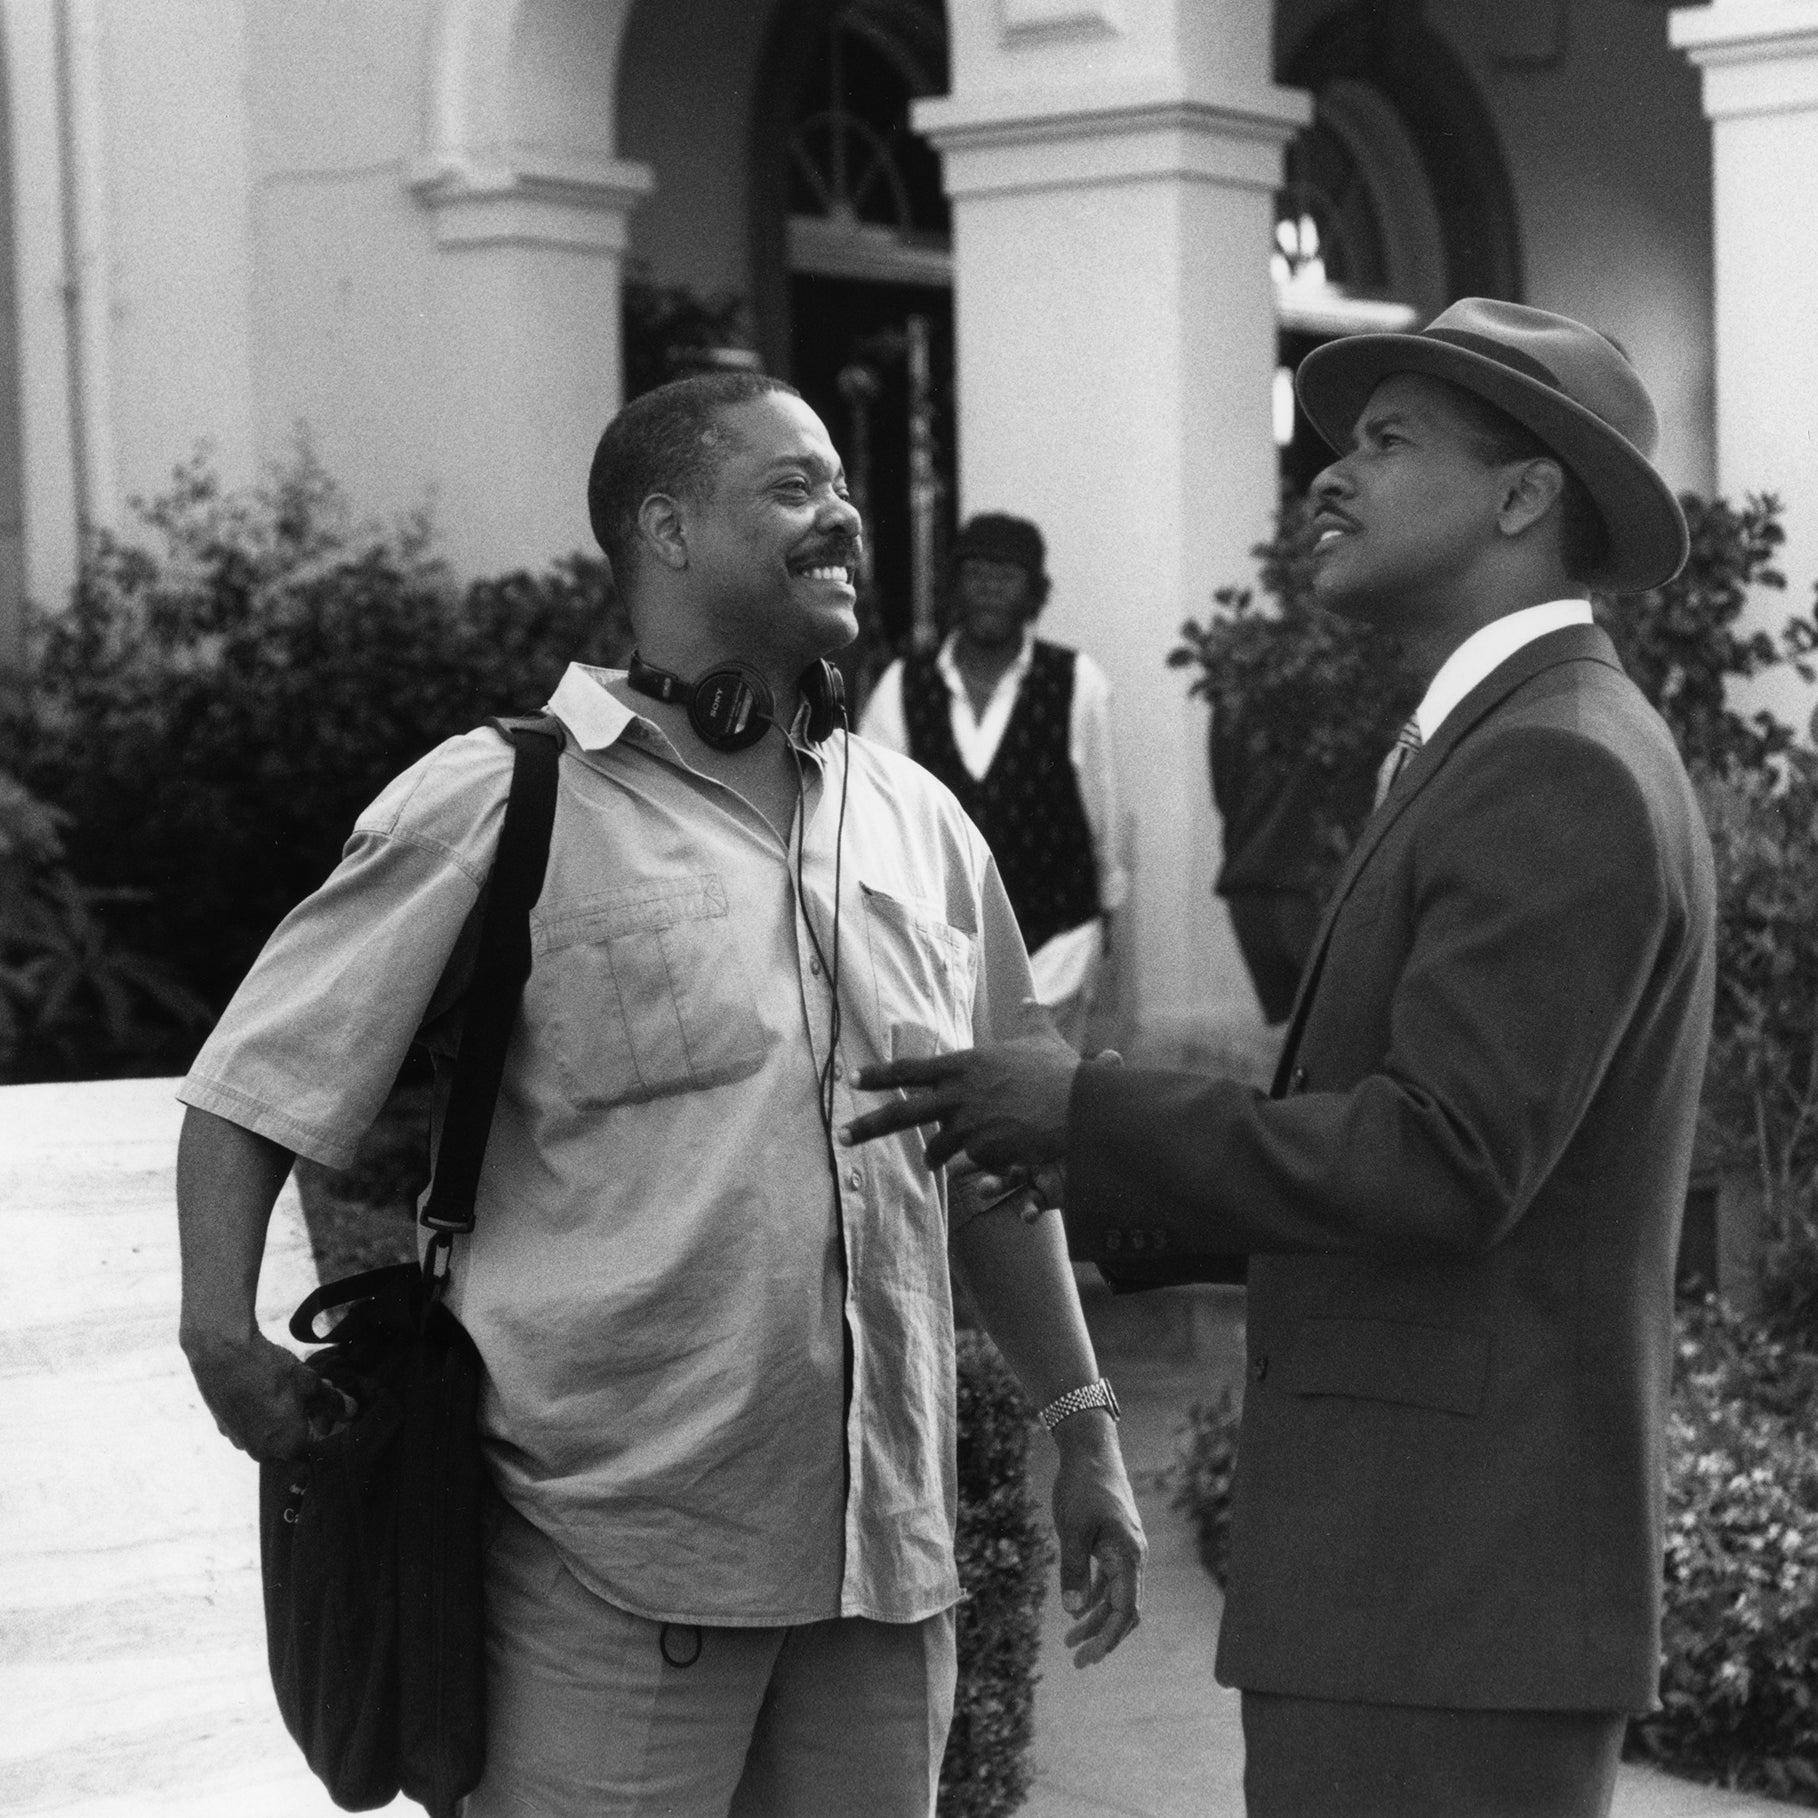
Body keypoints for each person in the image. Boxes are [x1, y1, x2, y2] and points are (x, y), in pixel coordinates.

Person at [175, 371, 1145, 1818]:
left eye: (840, 486)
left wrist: (1084, 1424)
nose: (845, 516)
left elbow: (989, 1165)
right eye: (795, 486)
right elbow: (257, 1077)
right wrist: (217, 1326)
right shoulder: (503, 800)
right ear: (666, 530)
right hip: (600, 1563)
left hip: (881, 1573)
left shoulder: (918, 820)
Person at [845, 300, 1715, 1818]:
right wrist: (1069, 1170)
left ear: (1523, 497)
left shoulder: (1554, 760)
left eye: (1386, 442)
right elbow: (1373, 1151)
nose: (1326, 474)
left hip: (1442, 1588)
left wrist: (1089, 1108)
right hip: (1420, 1590)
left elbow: (1437, 1163)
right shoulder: (1507, 739)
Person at [860, 513, 1127, 1048]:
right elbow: (875, 816)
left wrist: (1108, 909)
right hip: (942, 951)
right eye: (975, 573)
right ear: (954, 587)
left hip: (1059, 941)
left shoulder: (1076, 681)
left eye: (1005, 575)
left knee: (1041, 1108)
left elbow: (1103, 807)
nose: (988, 589)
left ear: (1034, 591)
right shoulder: (903, 685)